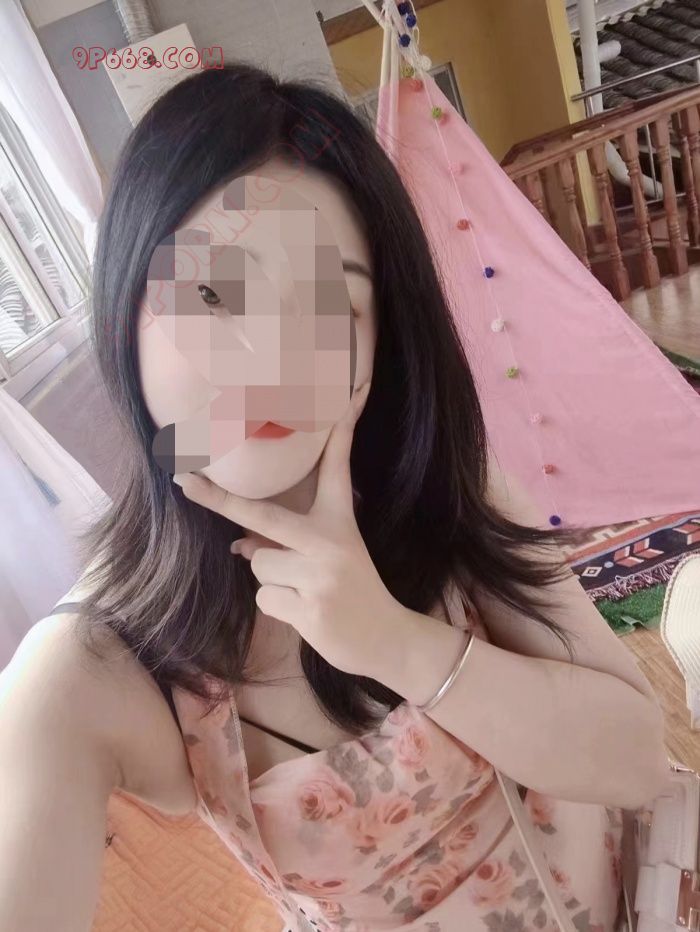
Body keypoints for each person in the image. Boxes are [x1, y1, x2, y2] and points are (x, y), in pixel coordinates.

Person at [0, 63, 670, 932]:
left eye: (329, 307)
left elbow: (636, 760)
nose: (274, 362)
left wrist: (391, 639)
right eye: (213, 294)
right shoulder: (97, 666)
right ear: (125, 316)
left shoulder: (439, 482)